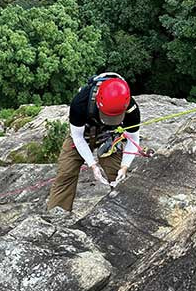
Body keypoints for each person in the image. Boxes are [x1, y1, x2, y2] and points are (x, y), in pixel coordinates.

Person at [47, 72, 141, 212]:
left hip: (110, 135)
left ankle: (125, 212)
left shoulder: (130, 108)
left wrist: (124, 167)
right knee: (66, 173)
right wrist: (92, 165)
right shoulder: (80, 102)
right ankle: (56, 215)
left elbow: (133, 140)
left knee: (117, 174)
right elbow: (77, 137)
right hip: (83, 132)